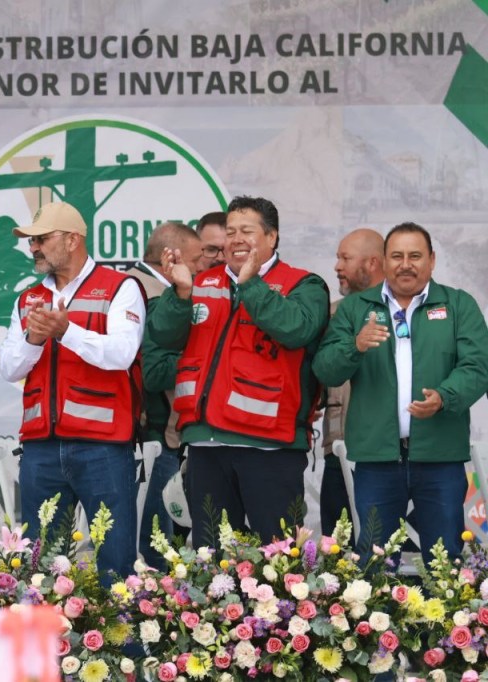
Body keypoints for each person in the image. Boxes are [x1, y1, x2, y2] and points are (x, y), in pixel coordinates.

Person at [148, 195, 329, 547]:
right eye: (230, 232)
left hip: (270, 446)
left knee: (279, 557)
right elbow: (163, 335)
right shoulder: (199, 282)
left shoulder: (304, 284)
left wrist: (250, 284)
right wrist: (180, 293)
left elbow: (297, 330)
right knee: (210, 556)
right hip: (205, 442)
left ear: (272, 237)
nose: (236, 239)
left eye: (247, 231)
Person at [313, 222, 488, 562]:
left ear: (432, 260)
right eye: (397, 256)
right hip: (376, 459)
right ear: (383, 261)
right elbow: (325, 369)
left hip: (440, 457)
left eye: (415, 256)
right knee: (374, 562)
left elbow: (478, 367)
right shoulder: (355, 308)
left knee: (444, 562)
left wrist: (444, 397)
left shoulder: (458, 305)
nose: (405, 264)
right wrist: (354, 346)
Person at [0, 201, 145, 581]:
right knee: (42, 568)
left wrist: (66, 332)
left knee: (114, 564)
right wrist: (33, 338)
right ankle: (48, 624)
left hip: (103, 446)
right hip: (41, 447)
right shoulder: (28, 298)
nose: (33, 248)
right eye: (31, 241)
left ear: (73, 240)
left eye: (42, 239)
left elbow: (122, 354)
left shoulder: (121, 287)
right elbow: (9, 368)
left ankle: (118, 624)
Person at [127, 222, 201, 568]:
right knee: (156, 546)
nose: (200, 268)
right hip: (153, 435)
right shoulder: (151, 294)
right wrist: (204, 362)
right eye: (197, 259)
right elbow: (153, 373)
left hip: (149, 435)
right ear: (172, 257)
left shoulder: (131, 285)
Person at [319, 228, 385, 534]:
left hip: (388, 453)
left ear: (372, 263)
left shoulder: (402, 312)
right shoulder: (331, 314)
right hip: (337, 448)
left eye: (345, 258)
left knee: (390, 547)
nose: (337, 267)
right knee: (337, 550)